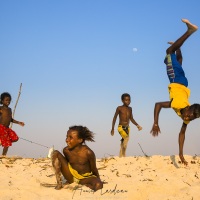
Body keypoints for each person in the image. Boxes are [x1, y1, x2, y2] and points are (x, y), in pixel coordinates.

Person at [150, 19, 199, 165]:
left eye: (191, 119)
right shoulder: (177, 104)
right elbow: (158, 104)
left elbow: (182, 133)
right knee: (168, 53)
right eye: (189, 116)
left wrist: (181, 154)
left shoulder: (187, 116)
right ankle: (190, 31)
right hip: (177, 81)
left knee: (178, 59)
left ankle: (177, 46)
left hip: (184, 83)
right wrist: (156, 123)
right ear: (189, 109)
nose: (188, 118)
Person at [51, 125, 103, 191]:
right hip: (71, 177)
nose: (67, 140)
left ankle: (83, 186)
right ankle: (59, 184)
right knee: (55, 153)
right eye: (67, 137)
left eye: (70, 138)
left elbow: (94, 169)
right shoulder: (66, 151)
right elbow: (66, 165)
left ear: (80, 140)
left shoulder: (88, 152)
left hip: (84, 178)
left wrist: (98, 179)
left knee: (99, 185)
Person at [111, 93, 142, 157]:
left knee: (124, 141)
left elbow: (131, 118)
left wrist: (137, 125)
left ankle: (120, 155)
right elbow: (114, 118)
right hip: (121, 127)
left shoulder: (130, 109)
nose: (128, 101)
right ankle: (124, 154)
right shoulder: (119, 108)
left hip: (127, 127)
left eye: (129, 100)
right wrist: (112, 128)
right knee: (126, 138)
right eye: (126, 100)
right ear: (122, 100)